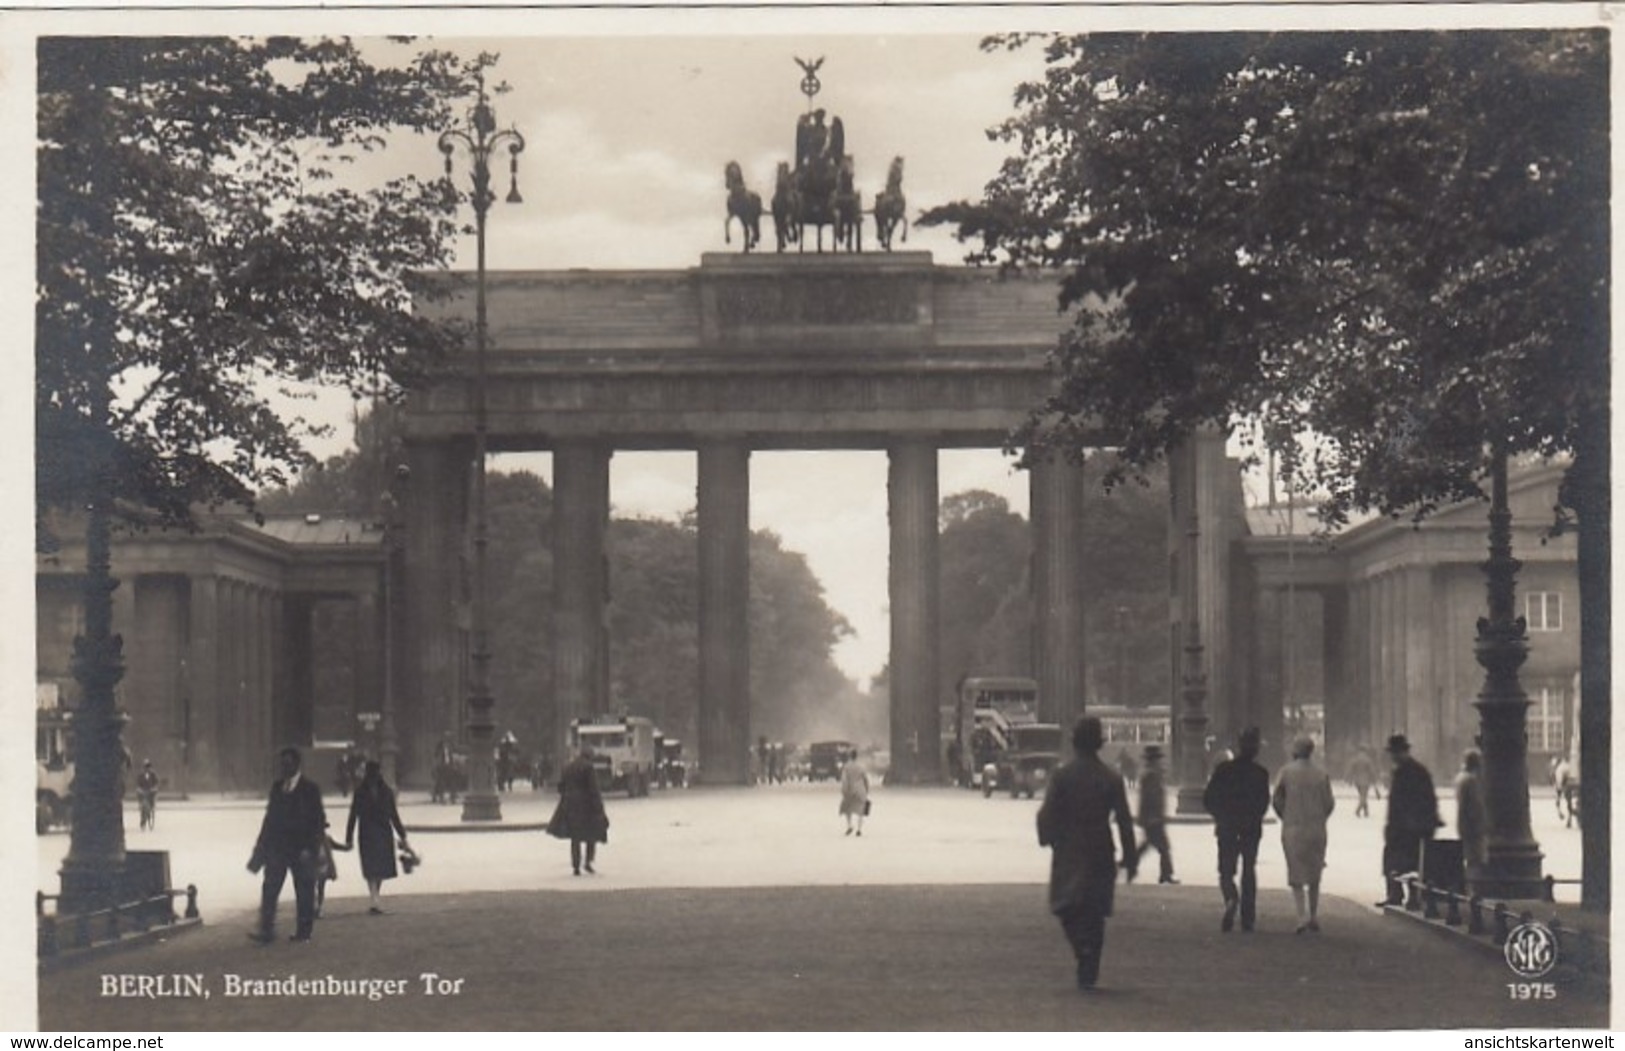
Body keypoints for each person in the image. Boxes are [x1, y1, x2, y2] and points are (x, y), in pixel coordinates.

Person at [1036, 716, 1137, 992]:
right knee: (1095, 910)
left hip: (1068, 848)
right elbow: (1125, 821)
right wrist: (1130, 857)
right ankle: (1090, 960)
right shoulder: (1111, 778)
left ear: (1075, 744)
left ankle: (1082, 950)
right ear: (1098, 745)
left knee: (1065, 905)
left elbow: (1047, 813)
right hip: (1100, 849)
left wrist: (1048, 837)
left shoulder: (1062, 776)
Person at [247, 746, 327, 943]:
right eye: (282, 764)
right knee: (270, 888)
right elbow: (269, 819)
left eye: (288, 764)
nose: (284, 768)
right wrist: (261, 847)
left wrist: (311, 848)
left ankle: (304, 931)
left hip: (301, 849)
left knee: (304, 890)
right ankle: (266, 930)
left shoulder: (310, 789)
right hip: (278, 848)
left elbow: (318, 821)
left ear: (296, 765)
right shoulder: (277, 788)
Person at [1203, 727, 1271, 932]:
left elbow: (1209, 798)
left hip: (1227, 825)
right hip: (1250, 827)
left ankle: (1231, 898)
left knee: (1226, 870)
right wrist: (1253, 817)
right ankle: (1248, 918)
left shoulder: (1224, 770)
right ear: (1256, 750)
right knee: (1249, 869)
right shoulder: (1261, 773)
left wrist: (1221, 816)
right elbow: (1263, 803)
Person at [1272, 736, 1336, 933]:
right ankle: (1314, 915)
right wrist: (1320, 817)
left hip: (1293, 827)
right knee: (1315, 873)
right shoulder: (1321, 773)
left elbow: (1276, 799)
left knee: (1296, 873)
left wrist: (1286, 815)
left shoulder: (1286, 772)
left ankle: (1301, 917)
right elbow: (1329, 802)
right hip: (1316, 828)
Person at [1380, 733, 1441, 906]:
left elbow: (1421, 800)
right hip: (1405, 826)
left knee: (1408, 862)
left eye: (1394, 753)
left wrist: (1413, 823)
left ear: (1402, 752)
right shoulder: (1408, 771)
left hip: (1409, 827)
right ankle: (1399, 894)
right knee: (1400, 862)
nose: (1392, 756)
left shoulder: (1412, 772)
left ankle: (1409, 896)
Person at [345, 760, 409, 915]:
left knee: (378, 867)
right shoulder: (367, 792)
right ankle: (374, 898)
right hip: (371, 832)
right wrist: (349, 837)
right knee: (371, 867)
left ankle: (375, 896)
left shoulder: (381, 791)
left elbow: (393, 814)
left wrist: (402, 834)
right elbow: (353, 815)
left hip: (379, 832)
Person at [548, 745, 609, 875]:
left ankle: (575, 866)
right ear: (590, 755)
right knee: (591, 834)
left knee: (575, 837)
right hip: (586, 806)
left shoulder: (568, 767)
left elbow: (561, 787)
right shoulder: (588, 767)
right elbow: (593, 789)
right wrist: (599, 807)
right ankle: (588, 862)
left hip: (570, 805)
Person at [1131, 744, 1177, 884]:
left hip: (1153, 817)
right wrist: (1152, 816)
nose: (1160, 762)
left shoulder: (1152, 775)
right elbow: (1150, 798)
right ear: (1153, 761)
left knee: (1149, 846)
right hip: (1153, 818)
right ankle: (1165, 875)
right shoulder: (1151, 776)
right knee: (1163, 848)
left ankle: (1129, 864)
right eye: (1158, 759)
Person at [1454, 749, 1488, 875]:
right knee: (1476, 859)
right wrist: (1483, 825)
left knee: (1469, 857)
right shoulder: (1471, 781)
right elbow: (1476, 805)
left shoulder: (1460, 778)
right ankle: (1475, 887)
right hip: (1474, 827)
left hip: (1463, 825)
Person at [839, 748, 870, 836]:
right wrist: (867, 790)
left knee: (847, 808)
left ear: (849, 756)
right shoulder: (861, 767)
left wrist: (844, 790)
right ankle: (859, 829)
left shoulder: (846, 767)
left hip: (850, 790)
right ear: (857, 756)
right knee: (861, 811)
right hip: (860, 790)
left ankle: (849, 825)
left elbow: (844, 780)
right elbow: (866, 779)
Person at [1347, 747, 1377, 818]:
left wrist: (1349, 779)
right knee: (1364, 796)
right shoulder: (1368, 760)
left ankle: (1366, 811)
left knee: (1362, 796)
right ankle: (1358, 810)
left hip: (1357, 781)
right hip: (1366, 780)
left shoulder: (1355, 759)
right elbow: (1372, 771)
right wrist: (1374, 779)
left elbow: (1350, 770)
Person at [136, 759, 159, 831]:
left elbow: (156, 783)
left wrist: (154, 788)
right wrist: (139, 790)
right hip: (143, 793)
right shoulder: (140, 775)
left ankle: (149, 812)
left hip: (151, 793)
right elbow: (138, 784)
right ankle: (143, 821)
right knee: (143, 805)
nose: (147, 769)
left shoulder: (153, 775)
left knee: (150, 804)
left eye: (148, 767)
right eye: (145, 767)